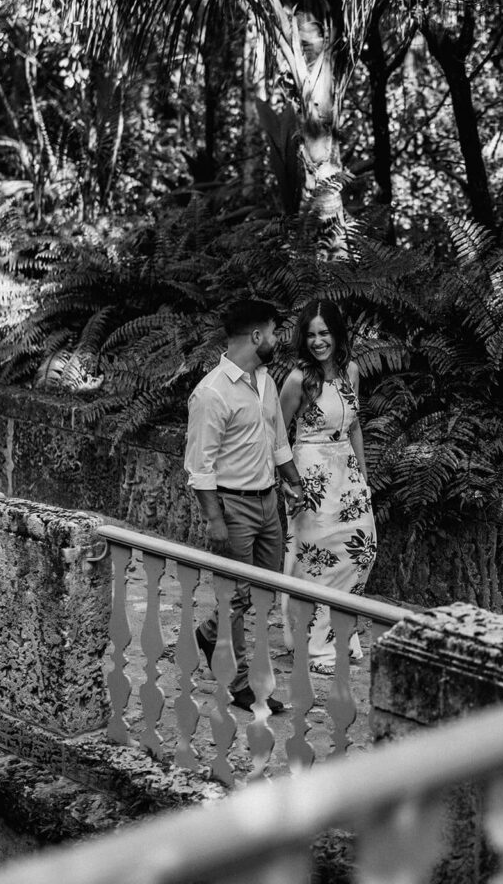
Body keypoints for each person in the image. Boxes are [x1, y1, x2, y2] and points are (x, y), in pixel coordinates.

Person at [185, 299, 304, 713]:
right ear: (256, 336)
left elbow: (277, 442)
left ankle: (208, 632)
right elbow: (200, 468)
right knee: (234, 597)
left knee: (265, 588)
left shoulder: (267, 381)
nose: (276, 339)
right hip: (232, 506)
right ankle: (239, 686)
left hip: (269, 503)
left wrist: (293, 483)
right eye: (272, 332)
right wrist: (214, 521)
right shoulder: (211, 393)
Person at [279, 300, 377, 674]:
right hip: (311, 475)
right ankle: (315, 646)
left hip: (347, 473)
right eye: (311, 335)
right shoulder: (297, 380)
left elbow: (354, 426)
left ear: (337, 334)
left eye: (325, 333)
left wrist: (363, 480)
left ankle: (340, 632)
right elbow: (276, 433)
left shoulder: (350, 370)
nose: (319, 341)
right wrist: (289, 481)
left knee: (361, 550)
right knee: (316, 559)